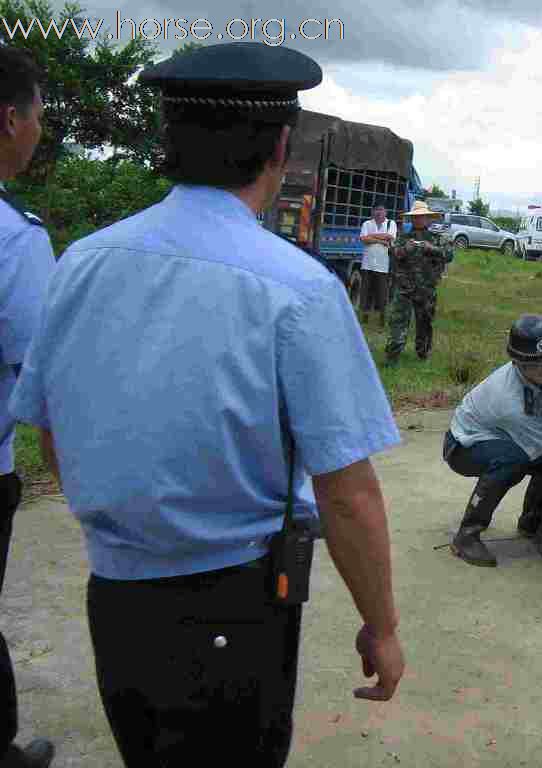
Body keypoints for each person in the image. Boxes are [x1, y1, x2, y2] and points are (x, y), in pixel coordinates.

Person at [10, 43, 406, 768]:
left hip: (116, 598)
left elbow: (51, 430)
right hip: (236, 606)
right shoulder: (299, 289)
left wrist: (128, 529)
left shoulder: (83, 262)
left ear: (170, 141)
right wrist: (380, 625)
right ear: (279, 147)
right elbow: (347, 492)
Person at [0, 46, 57, 768]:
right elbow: (43, 374)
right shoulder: (16, 238)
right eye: (40, 115)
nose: (41, 130)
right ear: (9, 120)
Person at [445, 315, 542, 567]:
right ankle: (467, 536)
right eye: (538, 365)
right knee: (516, 460)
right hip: (465, 446)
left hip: (516, 438)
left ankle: (537, 527)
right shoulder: (509, 401)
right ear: (518, 364)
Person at [385, 200, 451, 365]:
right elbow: (392, 253)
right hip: (404, 288)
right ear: (412, 219)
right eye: (415, 217)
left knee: (425, 323)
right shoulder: (403, 238)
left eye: (422, 217)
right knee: (398, 321)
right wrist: (404, 250)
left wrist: (431, 248)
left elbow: (449, 255)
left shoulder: (437, 239)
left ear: (428, 219)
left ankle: (423, 354)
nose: (419, 220)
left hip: (426, 289)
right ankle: (392, 356)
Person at [358, 201, 396, 325]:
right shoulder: (367, 223)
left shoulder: (391, 223)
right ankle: (365, 317)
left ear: (386, 212)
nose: (379, 212)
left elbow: (389, 237)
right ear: (372, 211)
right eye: (376, 209)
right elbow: (363, 239)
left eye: (381, 210)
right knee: (366, 292)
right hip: (367, 264)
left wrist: (372, 237)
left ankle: (382, 318)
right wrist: (381, 241)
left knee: (382, 293)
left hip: (383, 265)